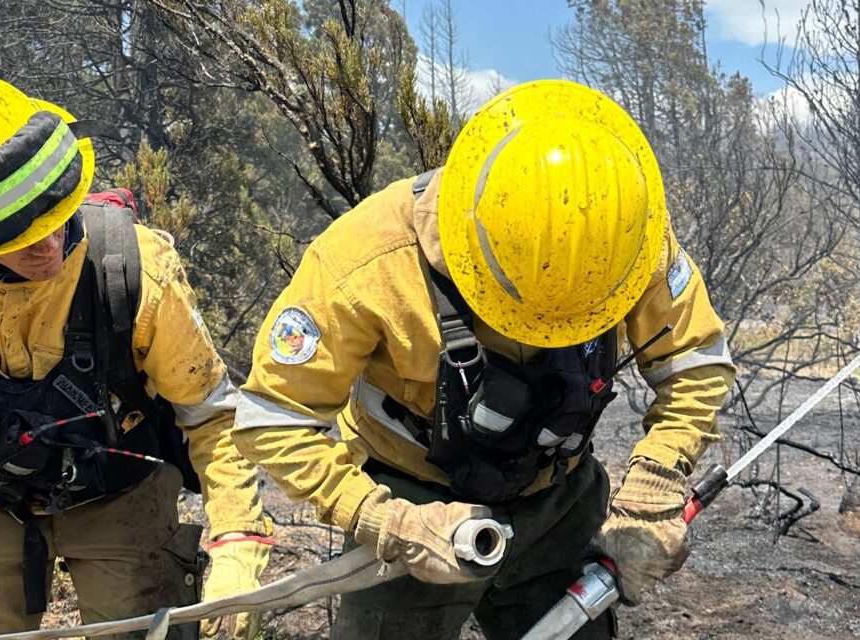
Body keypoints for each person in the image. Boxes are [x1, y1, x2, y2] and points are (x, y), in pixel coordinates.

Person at [231, 80, 735, 639]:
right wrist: (386, 521)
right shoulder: (364, 263)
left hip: (559, 502)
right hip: (412, 493)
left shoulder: (622, 234)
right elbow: (274, 416)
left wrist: (658, 479)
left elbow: (695, 359)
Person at [0, 72, 271, 640]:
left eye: (55, 212)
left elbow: (209, 416)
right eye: (16, 235)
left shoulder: (135, 272)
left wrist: (238, 538)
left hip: (119, 481)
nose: (47, 245)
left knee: (141, 627)